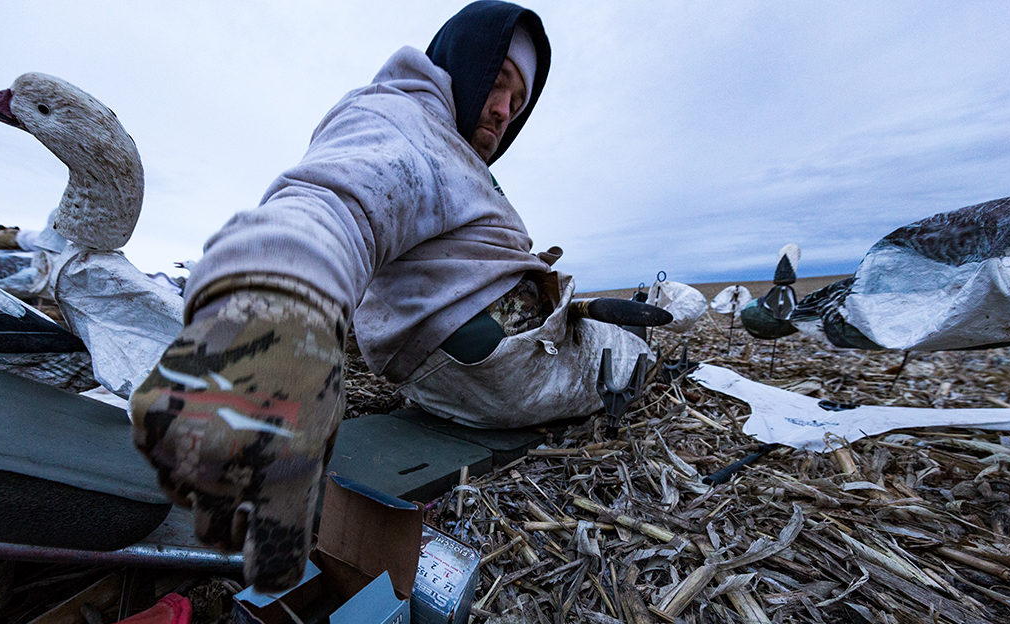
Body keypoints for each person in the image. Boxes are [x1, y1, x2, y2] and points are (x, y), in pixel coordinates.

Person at [130, 1, 652, 591]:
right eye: (499, 81)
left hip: (466, 363)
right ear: (464, 61)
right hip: (505, 362)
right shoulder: (402, 120)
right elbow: (338, 201)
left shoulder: (444, 143)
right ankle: (645, 347)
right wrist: (277, 313)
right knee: (631, 356)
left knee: (620, 336)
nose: (505, 110)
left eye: (520, 102)